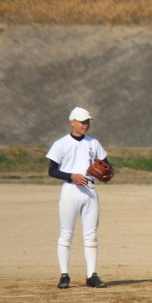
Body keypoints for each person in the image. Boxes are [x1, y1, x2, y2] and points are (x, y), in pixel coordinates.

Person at [46, 107, 112, 289]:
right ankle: (64, 275)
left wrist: (106, 173)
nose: (85, 125)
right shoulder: (61, 144)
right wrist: (71, 176)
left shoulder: (93, 143)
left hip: (90, 191)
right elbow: (52, 170)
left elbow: (106, 165)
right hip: (71, 191)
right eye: (82, 122)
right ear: (72, 122)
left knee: (91, 235)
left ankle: (91, 275)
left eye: (87, 122)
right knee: (66, 234)